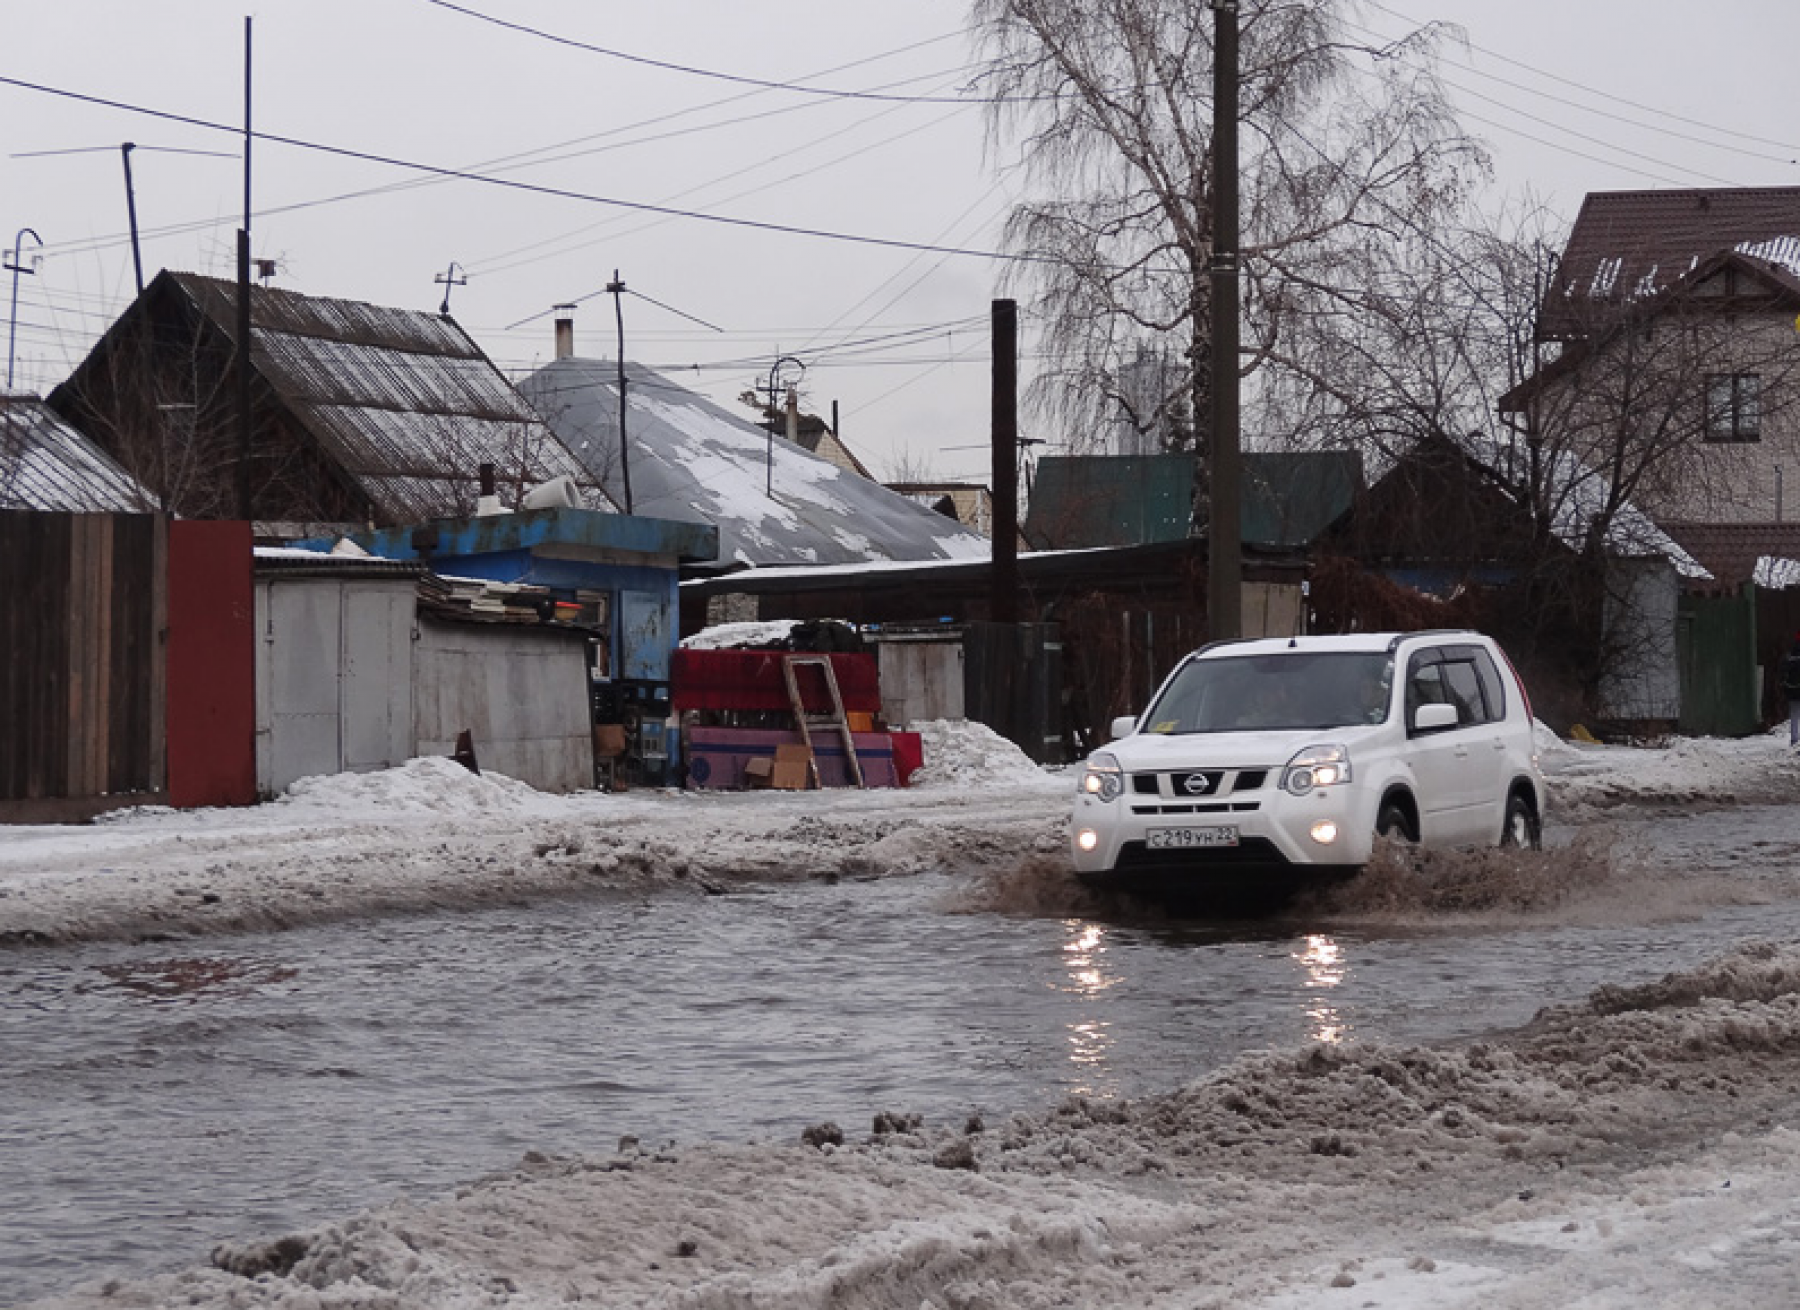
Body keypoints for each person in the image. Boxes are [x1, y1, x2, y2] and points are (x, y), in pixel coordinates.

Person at [1783, 629, 1800, 750]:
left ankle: (1794, 740)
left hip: (1792, 690)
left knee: (1794, 715)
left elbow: (1783, 671)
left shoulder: (1790, 654)